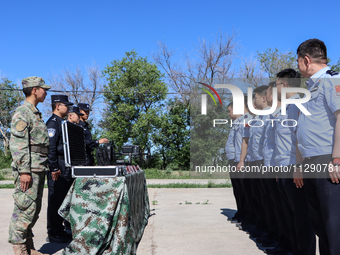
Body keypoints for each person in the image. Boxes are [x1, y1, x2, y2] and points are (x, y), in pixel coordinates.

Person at [296, 38, 340, 255]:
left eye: (298, 62)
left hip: (327, 161)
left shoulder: (332, 81)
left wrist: (336, 159)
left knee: (334, 227)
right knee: (321, 225)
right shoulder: (312, 86)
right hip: (311, 161)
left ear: (306, 60)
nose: (298, 66)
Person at [8, 76, 51, 255]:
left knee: (33, 209)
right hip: (29, 170)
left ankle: (29, 247)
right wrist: (24, 170)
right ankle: (19, 250)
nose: (45, 92)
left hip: (38, 168)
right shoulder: (23, 112)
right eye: (43, 89)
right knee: (24, 209)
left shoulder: (34, 113)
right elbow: (18, 145)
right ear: (35, 89)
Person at [46, 95, 74, 243]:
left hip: (64, 165)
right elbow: (51, 147)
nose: (68, 108)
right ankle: (53, 232)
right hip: (57, 166)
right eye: (65, 105)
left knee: (62, 199)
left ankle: (60, 230)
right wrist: (54, 167)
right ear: (58, 106)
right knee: (55, 200)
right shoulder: (53, 123)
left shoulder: (61, 123)